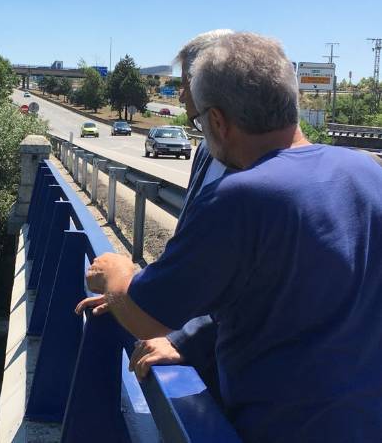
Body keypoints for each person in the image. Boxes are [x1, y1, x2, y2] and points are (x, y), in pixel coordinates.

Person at [76, 32, 382, 442]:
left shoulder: (241, 196)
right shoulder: (367, 172)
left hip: (278, 428)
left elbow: (144, 317)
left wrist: (117, 274)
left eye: (199, 122)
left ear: (218, 122)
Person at [129, 30, 233, 403]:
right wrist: (130, 293)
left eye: (187, 82)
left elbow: (250, 287)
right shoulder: (205, 151)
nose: (182, 94)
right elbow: (187, 247)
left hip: (228, 364)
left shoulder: (255, 168)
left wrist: (184, 339)